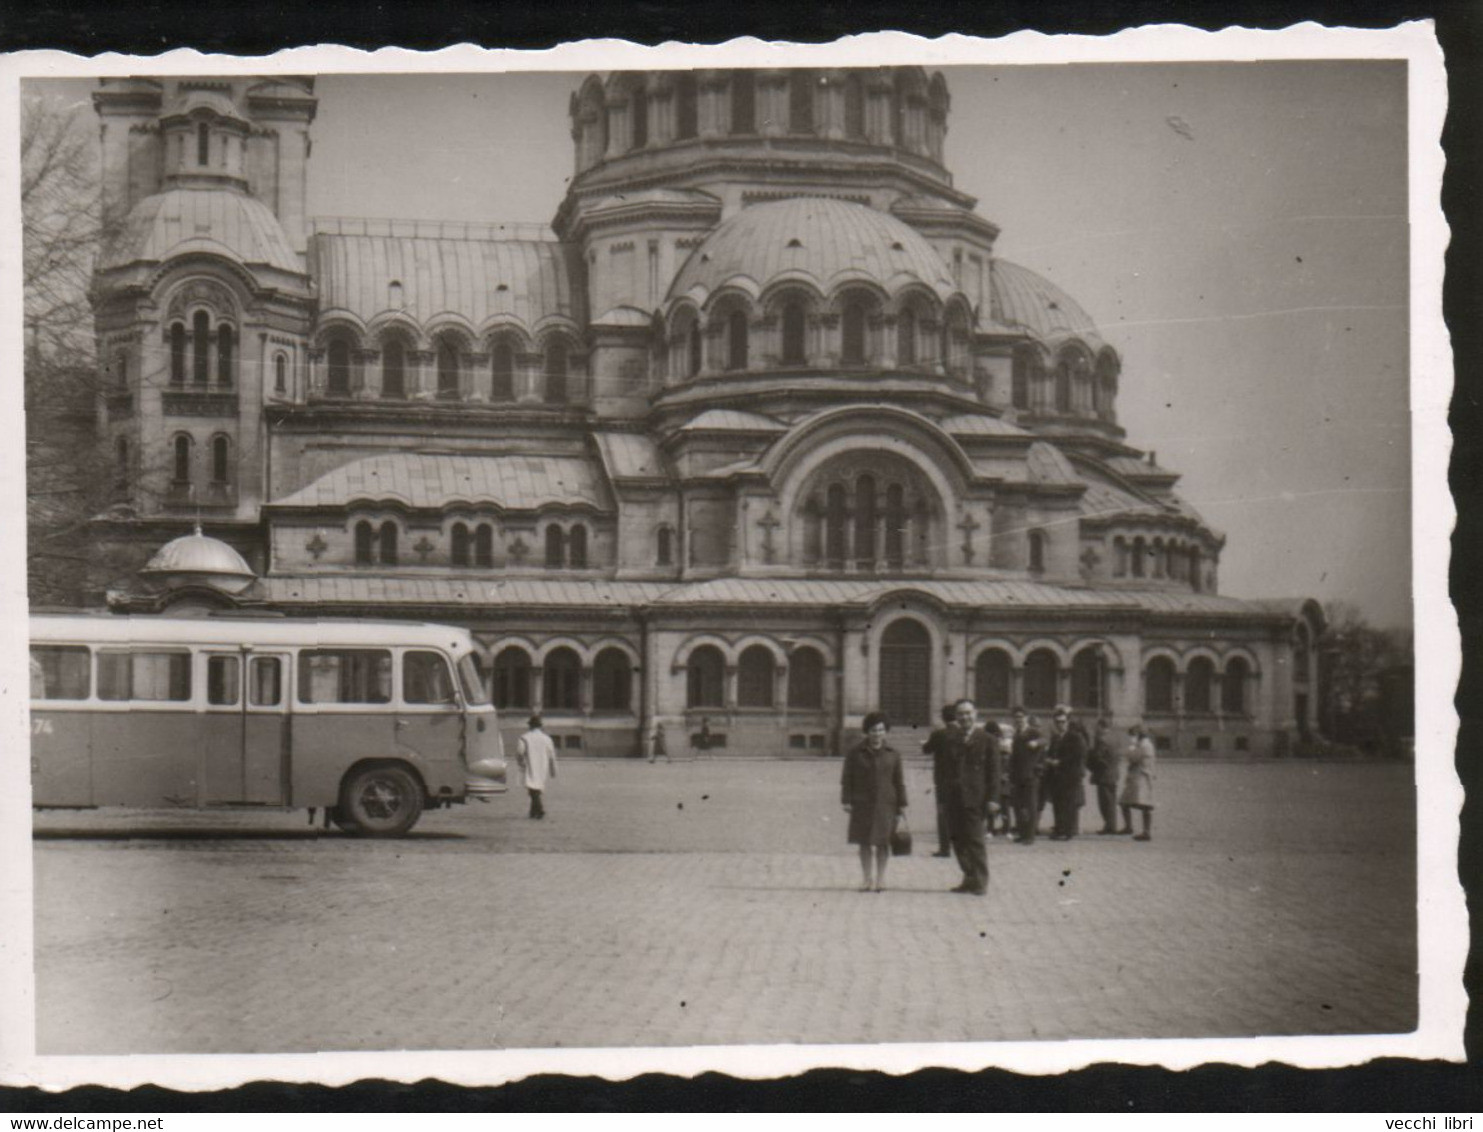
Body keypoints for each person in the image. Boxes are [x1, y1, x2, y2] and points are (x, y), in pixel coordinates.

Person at [841, 711, 906, 892]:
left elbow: (899, 781)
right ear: (866, 732)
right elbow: (847, 778)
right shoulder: (855, 753)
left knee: (883, 843)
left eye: (880, 730)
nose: (876, 734)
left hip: (886, 804)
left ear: (885, 732)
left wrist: (902, 805)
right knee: (864, 842)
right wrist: (846, 800)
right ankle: (866, 879)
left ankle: (881, 879)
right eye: (873, 730)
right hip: (862, 803)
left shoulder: (893, 754)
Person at [941, 698, 1000, 895]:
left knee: (975, 840)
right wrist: (943, 796)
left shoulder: (988, 740)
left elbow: (994, 772)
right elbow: (944, 770)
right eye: (961, 714)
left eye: (968, 713)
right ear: (956, 717)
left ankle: (981, 881)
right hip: (954, 797)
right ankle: (969, 876)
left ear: (975, 714)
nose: (964, 717)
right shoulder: (950, 739)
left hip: (976, 798)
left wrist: (993, 799)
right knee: (958, 839)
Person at [1044, 704, 1088, 840]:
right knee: (1057, 803)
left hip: (1070, 776)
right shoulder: (1056, 738)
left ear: (1068, 722)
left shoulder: (1075, 737)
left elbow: (1078, 755)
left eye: (1062, 722)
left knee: (1068, 804)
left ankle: (1068, 831)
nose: (1060, 725)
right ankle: (1059, 828)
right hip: (1057, 776)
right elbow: (1051, 752)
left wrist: (1060, 762)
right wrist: (1049, 759)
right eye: (1057, 722)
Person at [921, 703, 958, 857]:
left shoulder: (939, 734)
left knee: (943, 814)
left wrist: (924, 744)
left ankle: (945, 848)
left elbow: (926, 749)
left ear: (943, 718)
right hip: (961, 780)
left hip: (943, 780)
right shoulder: (962, 733)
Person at [1007, 706, 1045, 844]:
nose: (1018, 720)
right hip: (1018, 775)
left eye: (1021, 717)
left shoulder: (1032, 731)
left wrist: (1036, 742)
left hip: (1031, 775)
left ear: (1026, 718)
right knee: (1018, 805)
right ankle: (1022, 833)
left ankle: (1030, 836)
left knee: (1030, 805)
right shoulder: (1017, 734)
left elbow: (1044, 740)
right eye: (1016, 717)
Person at [1119, 723, 1157, 840]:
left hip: (1140, 778)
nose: (1131, 737)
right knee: (1127, 802)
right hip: (1140, 778)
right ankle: (1131, 827)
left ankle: (1145, 831)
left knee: (1143, 805)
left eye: (1133, 735)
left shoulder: (1144, 745)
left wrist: (1131, 746)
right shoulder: (1145, 744)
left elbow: (1132, 757)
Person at [517, 714, 558, 819]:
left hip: (530, 764)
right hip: (542, 765)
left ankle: (539, 809)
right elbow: (552, 756)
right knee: (537, 788)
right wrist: (553, 770)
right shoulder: (547, 739)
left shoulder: (524, 738)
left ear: (530, 726)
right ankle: (534, 811)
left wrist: (521, 763)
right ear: (540, 726)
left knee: (532, 789)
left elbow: (520, 752)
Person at [1086, 717, 1121, 834]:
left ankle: (1109, 826)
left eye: (1097, 726)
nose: (1096, 728)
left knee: (1105, 802)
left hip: (1104, 775)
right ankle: (1112, 825)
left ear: (1101, 726)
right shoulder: (1115, 738)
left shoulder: (1102, 740)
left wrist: (1090, 763)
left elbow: (1098, 757)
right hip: (1114, 773)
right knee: (1111, 801)